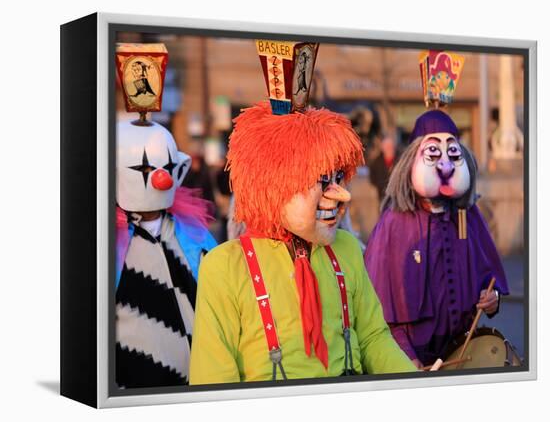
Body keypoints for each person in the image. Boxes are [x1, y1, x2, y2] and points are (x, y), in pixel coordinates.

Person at [189, 40, 416, 385]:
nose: (342, 195)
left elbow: (372, 338)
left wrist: (415, 384)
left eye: (339, 178)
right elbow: (213, 378)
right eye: (322, 180)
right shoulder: (224, 268)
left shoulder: (348, 249)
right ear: (274, 182)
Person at [364, 108, 509, 369]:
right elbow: (379, 310)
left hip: (460, 352)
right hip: (411, 357)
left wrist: (493, 298)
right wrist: (409, 361)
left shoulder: (469, 215)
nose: (445, 165)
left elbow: (489, 282)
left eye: (453, 154)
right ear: (412, 161)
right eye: (433, 154)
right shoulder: (393, 224)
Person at [114, 43, 217, 388]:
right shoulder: (105, 245)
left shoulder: (194, 234)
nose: (159, 176)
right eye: (143, 167)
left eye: (164, 167)